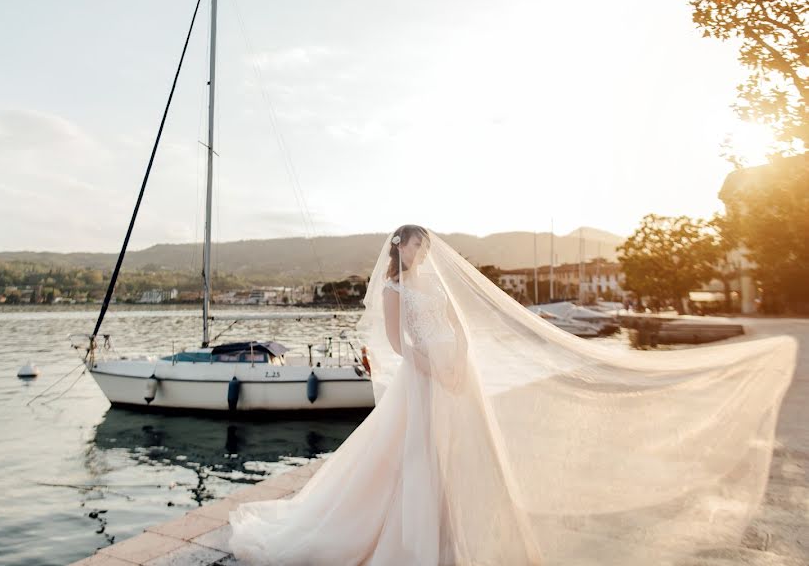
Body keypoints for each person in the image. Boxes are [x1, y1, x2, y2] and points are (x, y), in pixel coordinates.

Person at [229, 225, 797, 565]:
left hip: (456, 375)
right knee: (413, 457)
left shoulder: (435, 281)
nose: (418, 252)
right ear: (396, 249)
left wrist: (462, 364)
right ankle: (412, 540)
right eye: (411, 244)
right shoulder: (397, 290)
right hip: (424, 380)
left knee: (461, 457)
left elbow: (461, 325)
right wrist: (436, 370)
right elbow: (401, 345)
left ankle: (455, 529)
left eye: (423, 244)